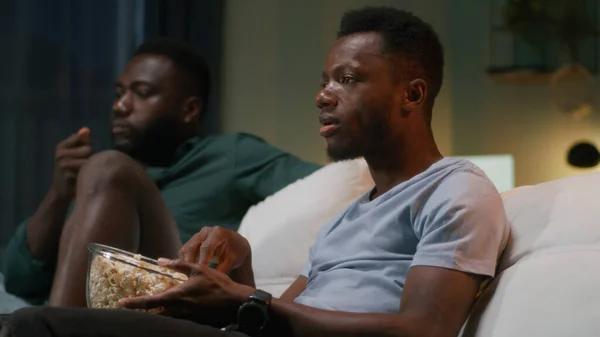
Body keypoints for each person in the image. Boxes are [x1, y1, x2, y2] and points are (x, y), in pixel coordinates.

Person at [1, 6, 510, 337]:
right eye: (324, 80)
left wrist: (249, 297)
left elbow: (425, 331)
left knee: (34, 327)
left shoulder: (457, 190)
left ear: (412, 94)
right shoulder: (350, 217)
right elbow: (268, 318)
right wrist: (240, 269)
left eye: (348, 79)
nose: (322, 95)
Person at [0, 39, 321, 308]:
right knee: (107, 170)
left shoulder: (230, 155)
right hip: (96, 304)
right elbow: (17, 278)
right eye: (119, 93)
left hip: (172, 296)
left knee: (111, 167)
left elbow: (333, 186)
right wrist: (59, 195)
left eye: (141, 93)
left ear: (189, 110)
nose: (121, 106)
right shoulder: (97, 187)